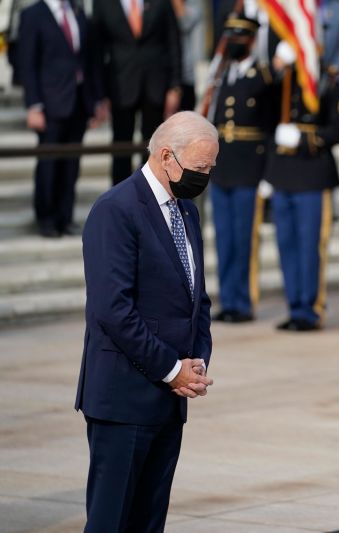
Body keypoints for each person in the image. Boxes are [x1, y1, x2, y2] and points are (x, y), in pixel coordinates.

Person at [77, 111, 216, 532]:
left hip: (169, 399)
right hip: (124, 397)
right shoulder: (116, 210)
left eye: (210, 169)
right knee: (112, 520)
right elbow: (113, 311)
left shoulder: (186, 212)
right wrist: (171, 369)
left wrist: (197, 361)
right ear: (166, 156)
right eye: (199, 169)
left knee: (148, 522)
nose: (204, 178)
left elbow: (197, 298)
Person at [266, 41, 339, 331]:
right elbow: (256, 103)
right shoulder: (282, 76)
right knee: (286, 244)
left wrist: (304, 139)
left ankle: (311, 309)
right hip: (282, 172)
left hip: (313, 172)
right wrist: (276, 69)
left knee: (310, 244)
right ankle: (295, 305)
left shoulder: (329, 78)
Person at [17, 0, 105, 238]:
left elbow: (91, 59)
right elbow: (28, 64)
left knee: (71, 164)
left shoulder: (78, 12)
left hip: (78, 102)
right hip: (49, 103)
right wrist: (34, 105)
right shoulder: (33, 14)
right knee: (49, 162)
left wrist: (97, 100)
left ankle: (64, 217)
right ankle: (46, 218)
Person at [208, 14, 276, 323]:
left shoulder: (263, 78)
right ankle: (229, 299)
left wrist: (269, 174)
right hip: (223, 168)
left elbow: (271, 128)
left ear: (250, 41)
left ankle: (244, 301)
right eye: (230, 36)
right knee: (224, 238)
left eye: (239, 37)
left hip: (250, 168)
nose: (233, 43)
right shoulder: (223, 75)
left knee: (245, 239)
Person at [92, 0, 182, 185]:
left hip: (155, 85)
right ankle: (120, 202)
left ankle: (151, 197)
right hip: (120, 85)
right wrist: (100, 94)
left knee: (153, 147)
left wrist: (175, 86)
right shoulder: (103, 4)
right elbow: (96, 49)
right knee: (121, 147)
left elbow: (173, 41)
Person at [171, 0, 205, 111]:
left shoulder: (193, 6)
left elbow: (185, 23)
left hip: (186, 75)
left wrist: (177, 5)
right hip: (162, 76)